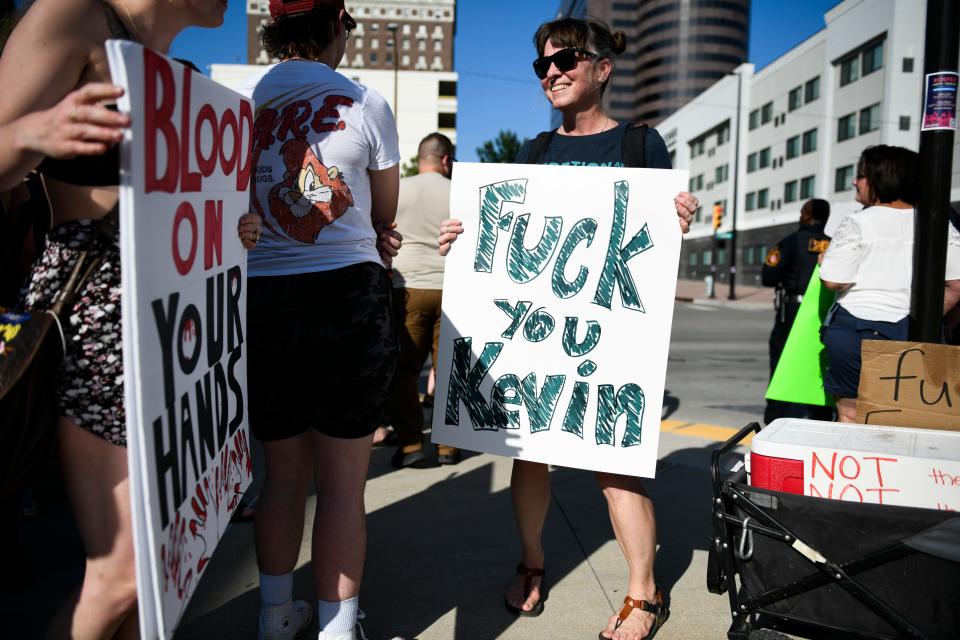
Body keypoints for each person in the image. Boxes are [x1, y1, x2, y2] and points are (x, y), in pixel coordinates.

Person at [0, 1, 260, 638]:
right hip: (98, 321)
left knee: (162, 578)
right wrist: (33, 136)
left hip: (178, 331)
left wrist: (231, 230)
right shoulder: (75, 14)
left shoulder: (172, 71)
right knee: (125, 573)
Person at [438, 17, 696, 640]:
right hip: (538, 339)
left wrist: (675, 218)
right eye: (542, 65)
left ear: (603, 69)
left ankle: (644, 592)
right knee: (529, 457)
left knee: (615, 468)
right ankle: (532, 563)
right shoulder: (536, 151)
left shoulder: (640, 145)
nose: (551, 72)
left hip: (604, 338)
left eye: (567, 60)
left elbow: (647, 248)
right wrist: (468, 237)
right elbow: (512, 242)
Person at [236, 2, 403, 639]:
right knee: (341, 485)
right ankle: (338, 627)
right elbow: (383, 206)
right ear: (336, 26)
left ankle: (275, 616)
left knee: (280, 477)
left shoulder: (241, 105)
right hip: (345, 296)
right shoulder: (365, 100)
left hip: (264, 297)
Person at [820, 145, 960, 422]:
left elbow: (834, 281)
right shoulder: (938, 224)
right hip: (912, 331)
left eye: (861, 176)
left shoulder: (857, 223)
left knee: (851, 412)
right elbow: (956, 285)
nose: (855, 182)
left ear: (880, 179)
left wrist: (824, 260)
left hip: (854, 329)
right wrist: (927, 321)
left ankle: (858, 465)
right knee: (910, 418)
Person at [388, 132, 460, 468]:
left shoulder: (400, 188)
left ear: (421, 159)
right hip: (452, 288)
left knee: (404, 371)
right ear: (446, 160)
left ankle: (411, 444)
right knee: (448, 368)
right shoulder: (459, 191)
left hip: (409, 288)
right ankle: (447, 446)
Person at [761, 198, 833, 424]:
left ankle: (776, 420)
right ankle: (820, 419)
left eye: (803, 211)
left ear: (808, 215)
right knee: (819, 370)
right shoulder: (835, 245)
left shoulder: (791, 243)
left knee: (782, 366)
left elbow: (768, 276)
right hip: (824, 315)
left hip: (792, 313)